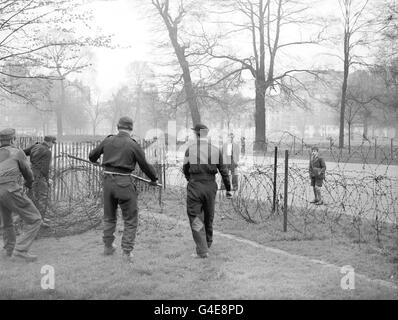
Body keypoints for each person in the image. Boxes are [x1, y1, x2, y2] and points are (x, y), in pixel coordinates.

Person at [89, 116, 159, 263]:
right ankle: (127, 252)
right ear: (131, 129)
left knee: (109, 216)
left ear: (117, 126)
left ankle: (108, 246)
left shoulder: (108, 140)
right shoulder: (133, 144)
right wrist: (154, 179)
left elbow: (92, 156)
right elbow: (145, 165)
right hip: (124, 183)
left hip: (107, 183)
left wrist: (96, 162)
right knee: (131, 219)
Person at [183, 124, 232, 259]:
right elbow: (224, 171)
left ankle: (202, 249)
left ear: (196, 134)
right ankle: (207, 243)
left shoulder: (190, 150)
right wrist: (229, 189)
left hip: (195, 185)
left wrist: (190, 179)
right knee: (209, 215)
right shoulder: (215, 150)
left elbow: (185, 168)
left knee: (195, 216)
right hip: (210, 186)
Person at [0, 128, 42, 262]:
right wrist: (29, 185)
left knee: (6, 222)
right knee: (35, 218)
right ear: (13, 139)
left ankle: (9, 250)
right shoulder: (17, 152)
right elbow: (28, 173)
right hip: (10, 189)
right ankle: (20, 250)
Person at [24, 135, 57, 228]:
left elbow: (23, 152)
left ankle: (32, 218)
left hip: (30, 176)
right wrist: (47, 180)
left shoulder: (35, 146)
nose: (52, 145)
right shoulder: (47, 152)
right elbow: (45, 169)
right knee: (42, 198)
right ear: (50, 142)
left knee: (33, 198)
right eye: (52, 143)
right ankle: (40, 221)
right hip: (39, 177)